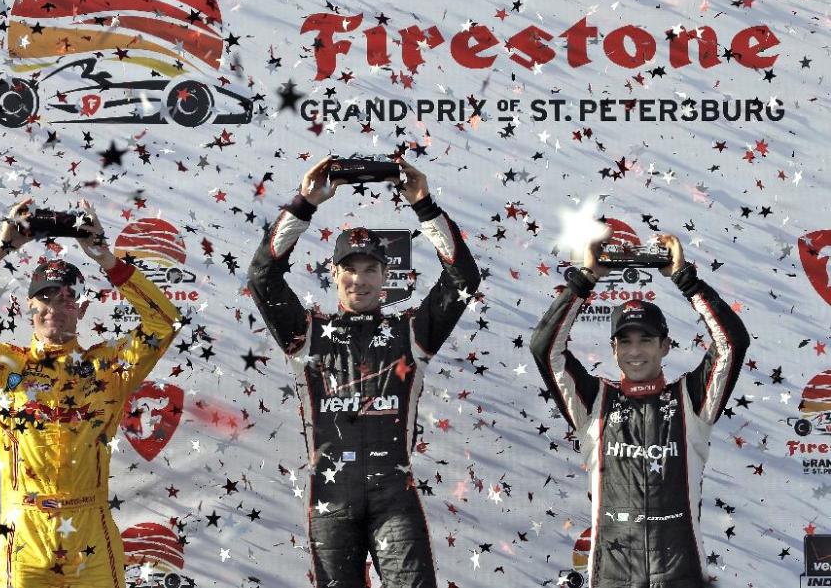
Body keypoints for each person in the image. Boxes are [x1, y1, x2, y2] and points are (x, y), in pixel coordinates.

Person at [247, 157, 480, 588]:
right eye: (350, 268)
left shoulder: (411, 331)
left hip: (394, 498)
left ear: (386, 275)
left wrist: (424, 204)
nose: (360, 279)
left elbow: (462, 277)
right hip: (331, 499)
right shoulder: (307, 333)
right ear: (334, 274)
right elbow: (262, 278)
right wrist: (304, 204)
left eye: (371, 268)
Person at [0, 199, 180, 588]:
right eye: (44, 296)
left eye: (65, 297)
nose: (54, 307)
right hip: (23, 535)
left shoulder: (110, 367)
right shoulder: (0, 366)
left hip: (91, 532)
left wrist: (106, 259)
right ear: (29, 305)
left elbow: (165, 322)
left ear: (80, 308)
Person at [530, 233, 750, 588]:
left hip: (681, 576)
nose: (636, 351)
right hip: (612, 577)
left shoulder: (691, 401)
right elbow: (545, 348)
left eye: (646, 340)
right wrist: (586, 279)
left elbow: (732, 344)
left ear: (664, 346)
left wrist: (685, 278)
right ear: (613, 349)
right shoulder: (593, 402)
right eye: (626, 341)